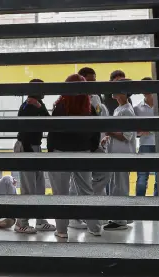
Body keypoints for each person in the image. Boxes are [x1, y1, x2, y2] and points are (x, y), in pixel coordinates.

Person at [47, 74, 104, 239]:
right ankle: (95, 227)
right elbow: (96, 132)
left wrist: (50, 150)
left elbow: (52, 132)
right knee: (86, 191)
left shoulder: (60, 107)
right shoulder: (89, 108)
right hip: (83, 153)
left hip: (60, 153)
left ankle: (62, 231)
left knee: (60, 194)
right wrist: (91, 148)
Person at [14, 79, 55, 234]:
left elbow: (47, 122)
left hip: (34, 147)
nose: (44, 92)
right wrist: (27, 150)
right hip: (27, 147)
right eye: (42, 89)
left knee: (39, 187)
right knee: (28, 188)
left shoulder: (35, 104)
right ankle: (21, 223)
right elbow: (26, 128)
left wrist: (40, 106)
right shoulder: (27, 105)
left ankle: (40, 220)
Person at [102, 79, 137, 231]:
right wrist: (108, 137)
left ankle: (120, 220)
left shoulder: (127, 111)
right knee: (117, 185)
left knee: (120, 186)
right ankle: (123, 216)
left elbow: (126, 136)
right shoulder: (119, 109)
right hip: (116, 152)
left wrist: (108, 131)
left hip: (123, 154)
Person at [134, 77, 157, 197]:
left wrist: (148, 130)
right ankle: (139, 203)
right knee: (142, 176)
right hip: (145, 145)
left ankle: (157, 204)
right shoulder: (137, 108)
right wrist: (143, 131)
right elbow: (135, 131)